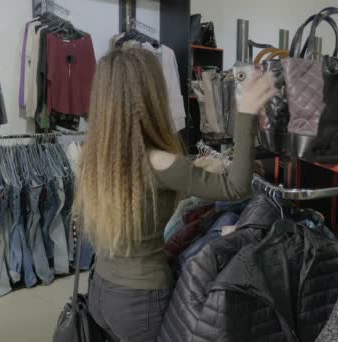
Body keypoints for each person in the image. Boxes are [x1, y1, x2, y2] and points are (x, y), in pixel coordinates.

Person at [76, 48, 276, 342]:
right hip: (140, 301)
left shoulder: (96, 157)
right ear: (150, 97)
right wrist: (245, 114)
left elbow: (145, 197)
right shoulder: (160, 162)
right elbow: (237, 188)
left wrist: (197, 168)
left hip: (100, 291)